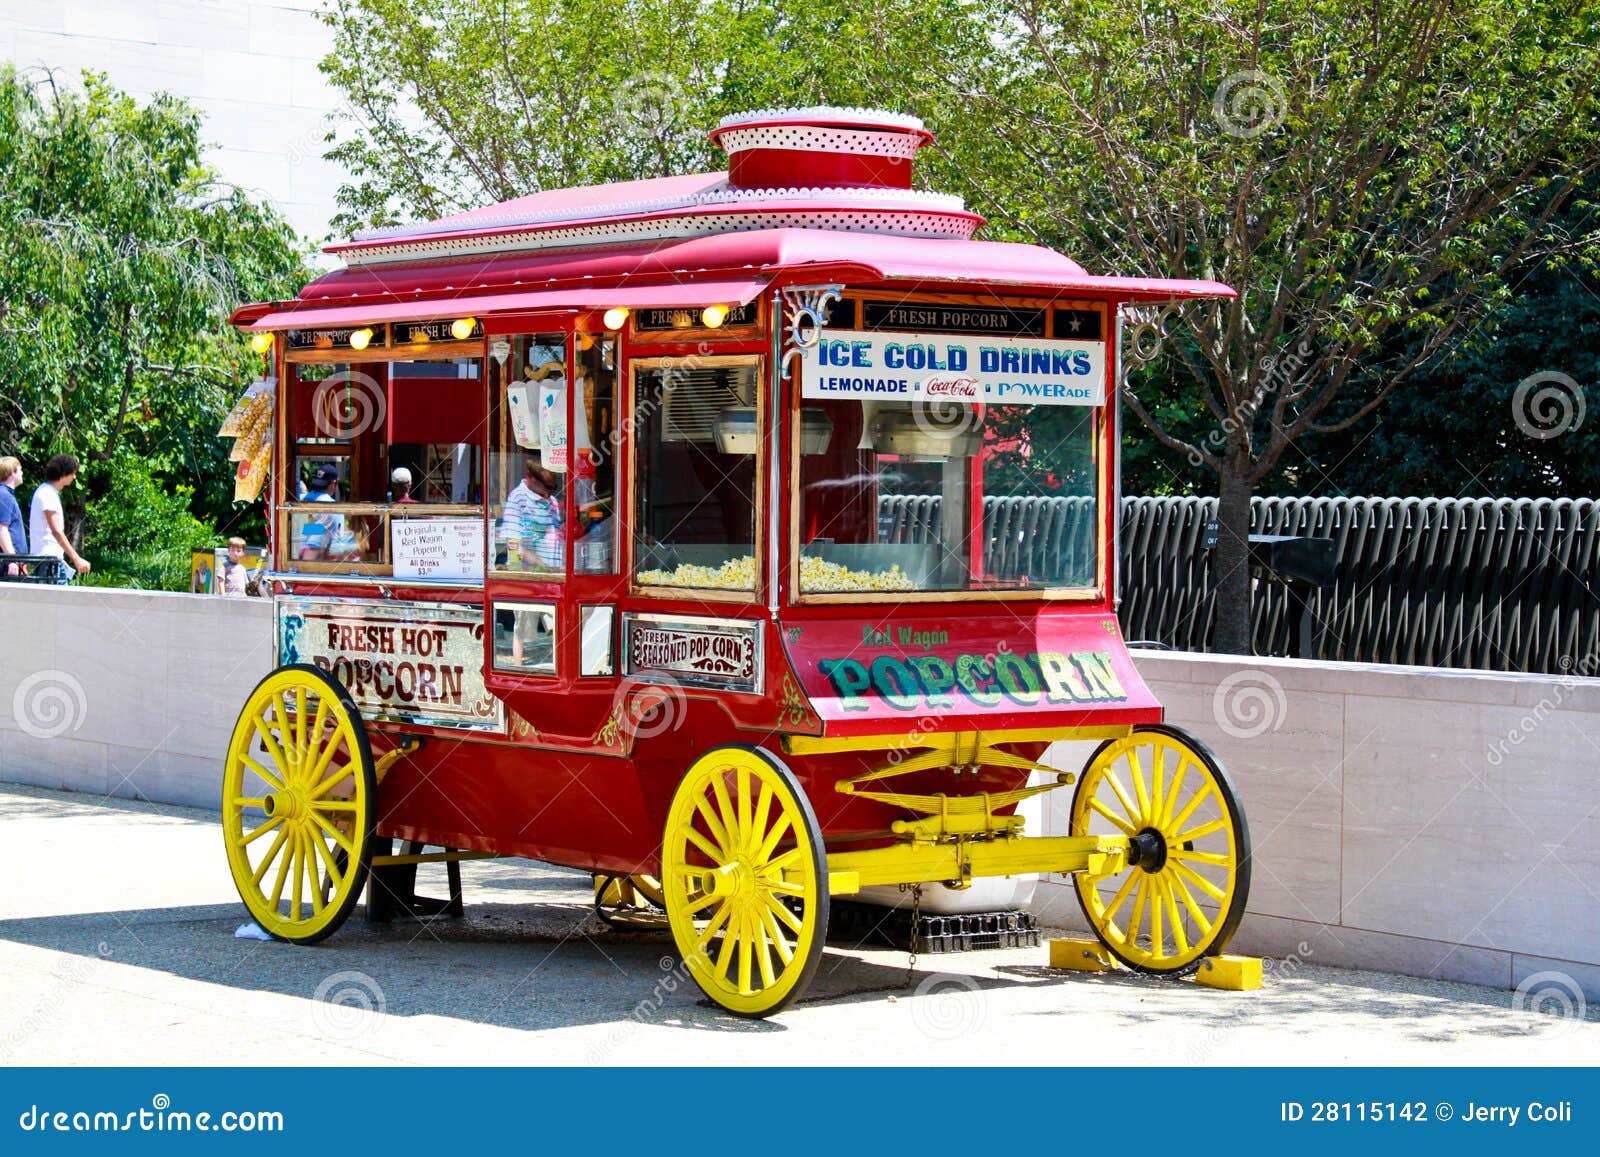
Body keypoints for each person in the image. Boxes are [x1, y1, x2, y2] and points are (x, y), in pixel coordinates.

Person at [29, 453, 90, 583]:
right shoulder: (48, 494)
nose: (74, 477)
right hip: (48, 561)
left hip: (49, 559)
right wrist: (76, 559)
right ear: (63, 473)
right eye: (73, 473)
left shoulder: (47, 492)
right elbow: (56, 530)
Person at [518, 461, 564, 571]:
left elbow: (555, 533)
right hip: (532, 571)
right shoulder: (520, 500)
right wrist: (541, 564)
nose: (549, 492)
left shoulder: (552, 501)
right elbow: (514, 545)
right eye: (546, 486)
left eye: (553, 487)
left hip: (553, 569)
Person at [0, 457, 26, 576]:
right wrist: (12, 560)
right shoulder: (4, 495)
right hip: (7, 565)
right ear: (12, 473)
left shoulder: (5, 494)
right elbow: (2, 529)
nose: (22, 473)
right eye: (20, 470)